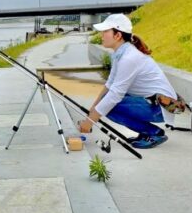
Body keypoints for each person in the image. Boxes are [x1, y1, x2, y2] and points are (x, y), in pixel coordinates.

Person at [78, 13, 185, 149]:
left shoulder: (129, 58)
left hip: (161, 107)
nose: (101, 35)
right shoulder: (119, 54)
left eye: (105, 31)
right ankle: (146, 131)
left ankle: (154, 133)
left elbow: (114, 95)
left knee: (111, 106)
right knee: (105, 104)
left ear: (118, 35)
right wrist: (91, 112)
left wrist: (89, 122)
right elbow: (109, 85)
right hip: (150, 102)